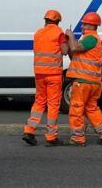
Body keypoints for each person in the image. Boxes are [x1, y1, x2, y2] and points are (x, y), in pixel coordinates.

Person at [22, 9, 69, 147]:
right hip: (53, 74)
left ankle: (29, 131)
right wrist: (66, 39)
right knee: (53, 104)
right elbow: (65, 51)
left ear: (46, 20)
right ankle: (51, 137)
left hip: (39, 74)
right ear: (57, 21)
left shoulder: (38, 33)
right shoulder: (59, 33)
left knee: (39, 102)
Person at [65, 11, 102, 146]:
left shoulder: (91, 38)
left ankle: (77, 138)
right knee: (91, 108)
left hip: (83, 82)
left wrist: (70, 36)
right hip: (94, 82)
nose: (82, 26)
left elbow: (75, 47)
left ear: (92, 25)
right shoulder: (88, 39)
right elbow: (74, 54)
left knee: (76, 109)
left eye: (85, 24)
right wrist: (69, 42)